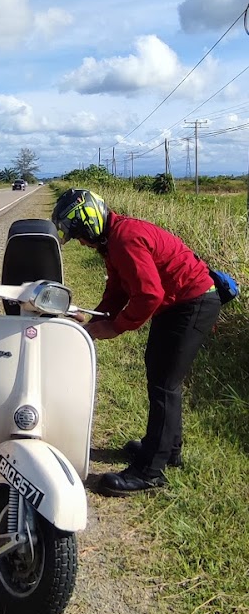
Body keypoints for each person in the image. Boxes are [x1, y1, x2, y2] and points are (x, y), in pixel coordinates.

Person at [51, 188, 220, 495]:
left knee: (164, 383)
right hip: (178, 303)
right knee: (159, 374)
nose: (81, 243)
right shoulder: (113, 239)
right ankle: (168, 449)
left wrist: (116, 326)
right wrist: (98, 318)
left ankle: (150, 472)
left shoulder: (125, 239)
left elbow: (149, 295)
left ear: (89, 225)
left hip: (192, 302)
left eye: (78, 236)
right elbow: (118, 288)